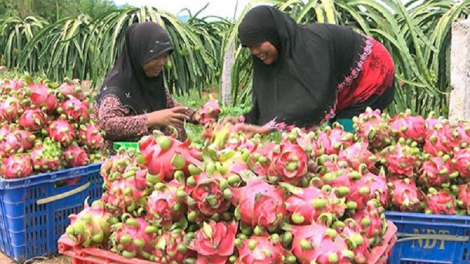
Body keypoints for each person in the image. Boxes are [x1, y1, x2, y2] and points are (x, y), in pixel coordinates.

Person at [229, 5, 396, 136]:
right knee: (336, 132)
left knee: (348, 134)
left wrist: (267, 129)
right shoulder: (283, 54)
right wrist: (245, 121)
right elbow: (271, 99)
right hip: (347, 83)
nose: (255, 51)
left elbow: (314, 101)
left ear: (273, 35)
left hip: (373, 71)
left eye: (258, 44)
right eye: (249, 47)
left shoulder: (310, 48)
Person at [93, 21, 201, 153]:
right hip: (124, 161)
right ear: (139, 53)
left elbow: (170, 106)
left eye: (165, 56)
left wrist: (194, 115)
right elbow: (106, 125)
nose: (161, 63)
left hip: (156, 161)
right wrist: (151, 119)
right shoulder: (117, 86)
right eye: (155, 57)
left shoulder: (150, 80)